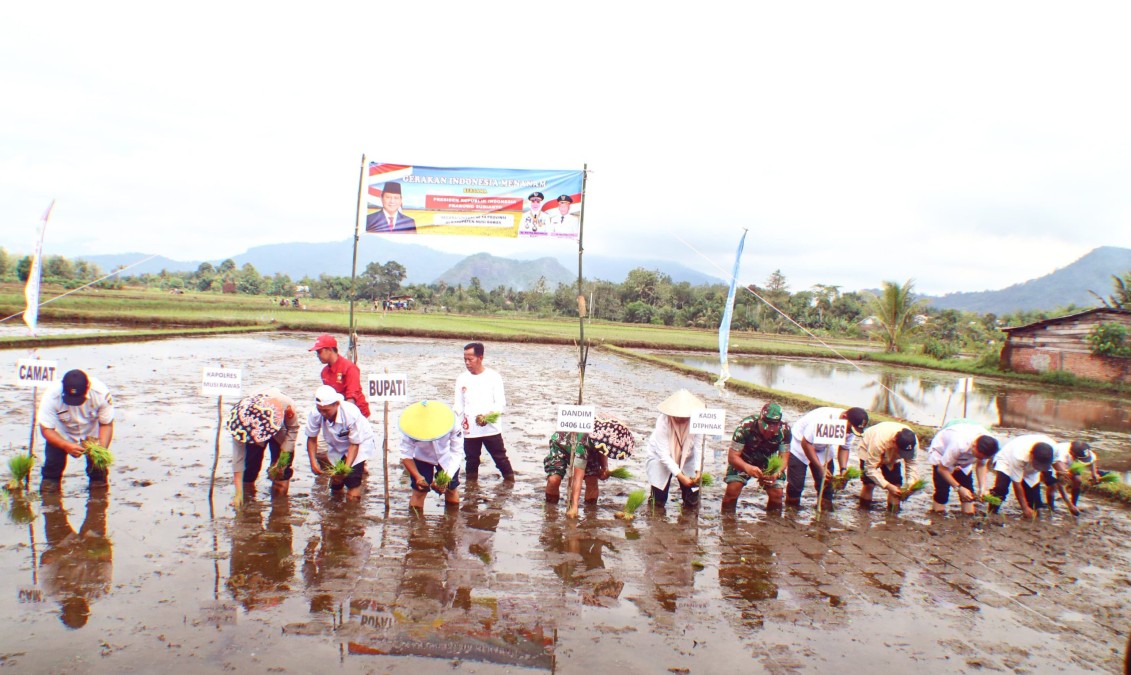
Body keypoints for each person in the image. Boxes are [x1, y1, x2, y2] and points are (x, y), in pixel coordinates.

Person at [37, 369, 115, 490]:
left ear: (88, 387)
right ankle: (49, 498)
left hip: (91, 435)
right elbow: (46, 429)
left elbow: (106, 424)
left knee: (98, 476)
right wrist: (65, 445)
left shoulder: (100, 393)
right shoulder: (51, 395)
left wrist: (100, 450)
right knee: (51, 473)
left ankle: (98, 498)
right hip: (61, 434)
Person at [225, 387, 301, 502]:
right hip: (253, 430)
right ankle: (247, 498)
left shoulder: (285, 404)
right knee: (250, 468)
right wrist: (238, 494)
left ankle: (279, 504)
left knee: (282, 471)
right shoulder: (240, 422)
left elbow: (293, 429)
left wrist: (283, 456)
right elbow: (238, 460)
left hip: (280, 431)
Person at [785, 406, 869, 509]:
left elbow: (844, 447)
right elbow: (806, 443)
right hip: (800, 444)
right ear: (844, 417)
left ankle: (823, 514)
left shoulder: (851, 428)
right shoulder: (823, 419)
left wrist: (843, 469)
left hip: (823, 448)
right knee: (796, 486)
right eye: (849, 429)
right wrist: (820, 467)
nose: (849, 433)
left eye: (852, 431)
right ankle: (791, 512)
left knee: (827, 486)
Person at [454, 342, 514, 481]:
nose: (467, 363)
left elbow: (500, 403)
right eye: (465, 360)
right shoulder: (462, 378)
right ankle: (471, 489)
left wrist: (488, 417)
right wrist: (456, 424)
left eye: (470, 359)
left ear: (480, 357)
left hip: (490, 428)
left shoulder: (494, 377)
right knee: (471, 460)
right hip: (470, 428)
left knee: (500, 458)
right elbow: (458, 405)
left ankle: (510, 480)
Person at [303, 385, 376, 501]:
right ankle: (338, 511)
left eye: (326, 411)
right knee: (336, 482)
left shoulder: (350, 413)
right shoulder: (315, 413)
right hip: (337, 444)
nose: (323, 414)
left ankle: (352, 512)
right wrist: (312, 462)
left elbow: (354, 444)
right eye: (320, 410)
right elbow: (311, 438)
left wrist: (346, 469)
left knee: (352, 480)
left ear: (336, 404)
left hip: (359, 444)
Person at [722, 403, 792, 512]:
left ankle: (773, 523)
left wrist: (776, 472)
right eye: (766, 428)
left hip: (769, 461)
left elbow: (784, 458)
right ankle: (727, 520)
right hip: (744, 459)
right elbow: (732, 457)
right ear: (760, 420)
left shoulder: (785, 431)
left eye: (774, 427)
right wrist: (747, 468)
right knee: (733, 489)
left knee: (777, 494)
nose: (770, 431)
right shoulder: (745, 427)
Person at [644, 389, 704, 508]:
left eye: (685, 416)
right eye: (678, 416)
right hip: (660, 457)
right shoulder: (663, 421)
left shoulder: (698, 420)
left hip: (687, 456)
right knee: (659, 499)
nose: (681, 419)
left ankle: (688, 518)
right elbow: (664, 455)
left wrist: (698, 470)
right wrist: (680, 476)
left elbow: (698, 446)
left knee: (692, 495)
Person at [399, 400, 464, 511]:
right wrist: (418, 476)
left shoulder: (452, 421)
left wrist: (445, 478)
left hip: (446, 456)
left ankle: (451, 522)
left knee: (451, 489)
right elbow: (405, 455)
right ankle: (417, 524)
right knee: (419, 491)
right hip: (421, 457)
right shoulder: (410, 428)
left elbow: (457, 452)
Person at [926, 422, 1000, 515]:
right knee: (942, 491)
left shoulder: (989, 445)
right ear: (974, 446)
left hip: (964, 459)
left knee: (968, 490)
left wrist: (982, 488)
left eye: (983, 458)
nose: (980, 459)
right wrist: (959, 488)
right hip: (942, 452)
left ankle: (968, 514)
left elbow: (981, 465)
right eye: (978, 456)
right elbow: (942, 469)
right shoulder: (958, 443)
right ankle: (938, 514)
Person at [987, 434, 1056, 518]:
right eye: (1038, 465)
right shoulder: (1018, 455)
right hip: (1007, 460)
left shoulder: (1054, 449)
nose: (1039, 468)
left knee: (1034, 502)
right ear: (1031, 455)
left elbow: (1054, 469)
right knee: (1001, 488)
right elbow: (1017, 484)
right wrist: (1025, 508)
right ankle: (991, 512)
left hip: (1031, 463)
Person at [857, 422, 920, 510]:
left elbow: (912, 464)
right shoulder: (878, 441)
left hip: (892, 453)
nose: (902, 455)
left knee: (896, 484)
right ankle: (863, 511)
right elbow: (870, 469)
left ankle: (893, 514)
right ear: (894, 442)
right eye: (900, 452)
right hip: (868, 447)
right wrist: (888, 486)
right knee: (869, 483)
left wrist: (910, 486)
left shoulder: (913, 442)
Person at [309, 334, 370, 418]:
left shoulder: (349, 368)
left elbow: (352, 397)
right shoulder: (324, 372)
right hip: (337, 413)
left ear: (329, 350)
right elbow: (327, 398)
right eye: (317, 352)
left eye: (319, 352)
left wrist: (343, 418)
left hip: (358, 414)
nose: (317, 355)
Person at [1052, 440, 1102, 509]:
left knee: (1078, 480)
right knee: (1052, 486)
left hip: (1072, 462)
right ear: (1072, 454)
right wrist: (1069, 505)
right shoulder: (1061, 455)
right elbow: (1060, 484)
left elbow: (1092, 460)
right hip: (1054, 462)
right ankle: (1051, 507)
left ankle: (1074, 503)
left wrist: (1094, 473)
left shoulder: (1086, 452)